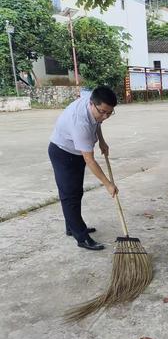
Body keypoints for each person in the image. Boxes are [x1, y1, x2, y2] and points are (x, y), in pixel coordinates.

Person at [48, 86, 119, 251]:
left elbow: (98, 122)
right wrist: (108, 184)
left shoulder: (94, 105)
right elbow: (90, 160)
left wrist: (101, 140)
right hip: (63, 153)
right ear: (92, 104)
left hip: (75, 151)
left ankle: (71, 226)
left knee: (76, 192)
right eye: (103, 111)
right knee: (70, 195)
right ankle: (81, 237)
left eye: (110, 113)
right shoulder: (80, 122)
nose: (105, 116)